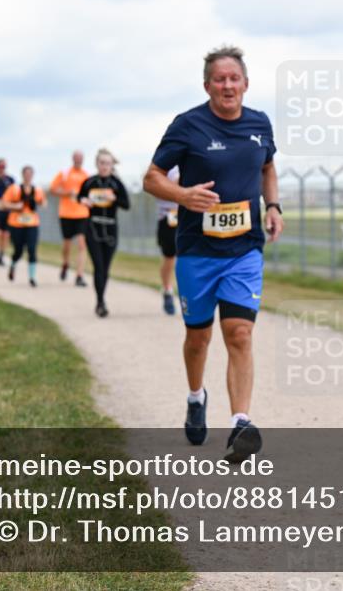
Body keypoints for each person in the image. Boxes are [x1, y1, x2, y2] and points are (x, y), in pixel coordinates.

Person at [143, 45, 283, 464]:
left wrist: (273, 206)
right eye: (219, 79)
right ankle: (195, 396)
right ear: (207, 85)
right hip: (197, 251)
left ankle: (241, 422)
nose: (227, 85)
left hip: (244, 250)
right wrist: (183, 194)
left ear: (245, 83)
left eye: (234, 78)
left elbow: (268, 167)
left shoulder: (260, 124)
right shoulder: (187, 126)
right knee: (198, 337)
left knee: (239, 333)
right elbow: (151, 179)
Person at [78, 148, 131, 317]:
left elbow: (126, 204)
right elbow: (79, 196)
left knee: (105, 268)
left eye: (108, 163)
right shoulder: (89, 182)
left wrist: (114, 198)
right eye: (102, 163)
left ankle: (101, 298)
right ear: (97, 164)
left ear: (111, 165)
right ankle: (100, 302)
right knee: (98, 266)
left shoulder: (116, 183)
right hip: (93, 227)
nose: (104, 166)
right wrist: (84, 200)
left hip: (110, 228)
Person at [49, 151, 89, 287]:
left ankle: (79, 276)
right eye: (76, 158)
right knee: (67, 244)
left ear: (83, 159)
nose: (78, 160)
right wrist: (67, 193)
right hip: (66, 213)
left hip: (82, 213)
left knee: (82, 244)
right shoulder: (64, 173)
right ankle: (65, 263)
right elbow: (53, 189)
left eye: (80, 158)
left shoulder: (86, 175)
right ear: (72, 159)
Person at [2, 166, 46, 288]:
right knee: (19, 250)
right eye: (26, 173)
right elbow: (4, 203)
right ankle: (13, 265)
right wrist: (16, 206)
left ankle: (32, 277)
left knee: (32, 249)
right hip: (16, 223)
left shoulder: (37, 189)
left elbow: (43, 202)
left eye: (30, 174)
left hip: (32, 223)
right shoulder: (14, 189)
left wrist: (39, 202)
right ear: (23, 174)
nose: (28, 176)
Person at [155, 167, 180, 315]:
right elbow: (154, 187)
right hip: (168, 218)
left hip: (189, 215)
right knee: (169, 257)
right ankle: (167, 290)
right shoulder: (163, 164)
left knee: (189, 256)